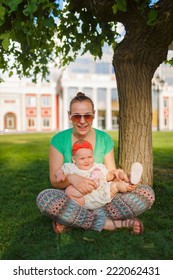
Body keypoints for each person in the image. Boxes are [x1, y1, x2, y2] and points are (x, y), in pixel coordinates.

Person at [37, 92, 155, 234]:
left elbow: (111, 176)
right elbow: (55, 182)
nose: (82, 121)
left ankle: (72, 219)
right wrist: (73, 178)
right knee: (45, 198)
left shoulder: (104, 139)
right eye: (76, 116)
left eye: (87, 115)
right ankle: (108, 223)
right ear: (70, 116)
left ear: (93, 114)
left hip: (101, 197)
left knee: (147, 193)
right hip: (74, 199)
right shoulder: (58, 140)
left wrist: (124, 177)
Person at [56, 139, 142, 210]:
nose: (87, 161)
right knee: (69, 191)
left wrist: (115, 173)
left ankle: (129, 183)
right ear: (74, 159)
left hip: (102, 193)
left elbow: (108, 176)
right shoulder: (70, 167)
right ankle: (81, 209)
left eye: (89, 157)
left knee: (115, 186)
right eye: (82, 158)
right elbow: (59, 170)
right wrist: (60, 175)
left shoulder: (97, 167)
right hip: (84, 199)